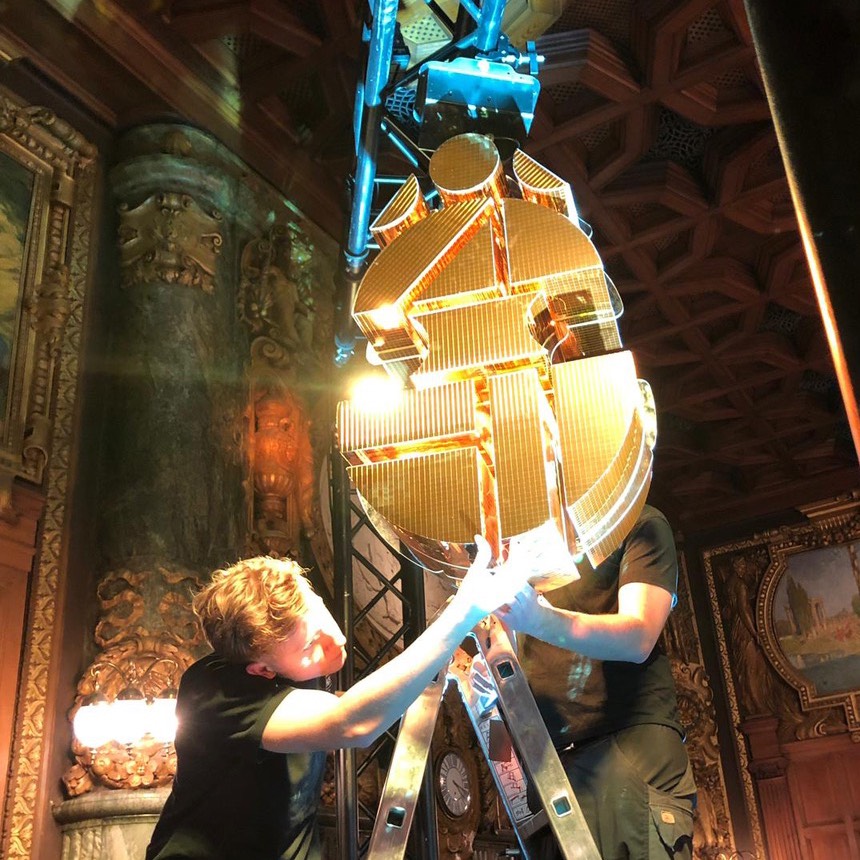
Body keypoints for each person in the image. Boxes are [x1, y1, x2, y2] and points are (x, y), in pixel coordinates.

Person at [145, 536, 531, 860]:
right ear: (262, 670)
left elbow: (343, 706)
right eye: (310, 646)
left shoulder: (298, 668)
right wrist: (464, 611)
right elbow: (351, 722)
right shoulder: (214, 691)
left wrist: (461, 672)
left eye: (319, 614)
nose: (333, 640)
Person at [497, 504, 696, 860]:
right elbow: (511, 642)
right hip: (549, 762)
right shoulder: (521, 548)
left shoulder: (634, 519)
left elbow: (639, 636)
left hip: (627, 745)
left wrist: (537, 619)